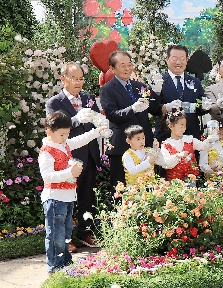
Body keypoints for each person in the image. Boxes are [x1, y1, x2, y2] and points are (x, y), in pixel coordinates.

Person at [38, 111, 107, 273]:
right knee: (56, 235)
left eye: (67, 134)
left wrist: (96, 131)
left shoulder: (64, 144)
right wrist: (70, 172)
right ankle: (55, 266)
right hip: (54, 198)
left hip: (68, 197)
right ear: (49, 132)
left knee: (67, 232)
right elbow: (47, 176)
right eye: (62, 134)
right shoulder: (47, 151)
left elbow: (80, 140)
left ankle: (65, 263)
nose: (65, 137)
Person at [45, 62, 100, 248]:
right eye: (74, 78)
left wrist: (101, 123)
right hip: (67, 156)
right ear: (63, 79)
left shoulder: (88, 98)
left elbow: (97, 119)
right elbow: (55, 127)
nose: (78, 82)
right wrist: (76, 120)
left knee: (87, 196)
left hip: (89, 153)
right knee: (65, 199)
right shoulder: (54, 102)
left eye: (81, 79)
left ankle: (85, 232)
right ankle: (64, 239)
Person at [99, 50, 161, 188]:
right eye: (123, 65)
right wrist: (132, 109)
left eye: (129, 65)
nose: (127, 68)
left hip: (144, 144)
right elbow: (112, 114)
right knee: (120, 187)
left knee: (147, 186)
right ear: (112, 68)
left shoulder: (139, 86)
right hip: (122, 143)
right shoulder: (107, 89)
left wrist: (156, 92)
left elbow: (155, 109)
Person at [155, 44, 205, 142]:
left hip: (191, 136)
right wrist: (166, 107)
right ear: (167, 59)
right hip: (166, 136)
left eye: (182, 59)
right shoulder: (158, 81)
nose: (178, 62)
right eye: (174, 59)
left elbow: (201, 107)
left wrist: (205, 106)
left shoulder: (195, 82)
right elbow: (152, 107)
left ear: (187, 60)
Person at [160, 109, 216, 183]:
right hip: (175, 183)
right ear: (171, 126)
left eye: (185, 126)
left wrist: (210, 139)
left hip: (191, 180)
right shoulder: (166, 144)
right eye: (181, 126)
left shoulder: (189, 139)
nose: (184, 129)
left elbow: (203, 146)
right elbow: (166, 164)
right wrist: (178, 156)